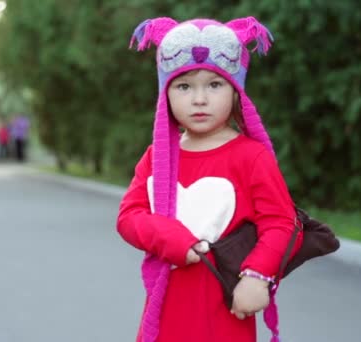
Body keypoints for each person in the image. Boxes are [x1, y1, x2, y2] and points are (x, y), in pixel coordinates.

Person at [117, 17, 303, 342]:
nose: (199, 99)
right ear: (166, 95)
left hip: (224, 311)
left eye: (214, 85)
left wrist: (257, 276)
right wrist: (174, 241)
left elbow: (282, 223)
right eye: (184, 86)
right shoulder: (156, 156)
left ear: (236, 93)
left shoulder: (250, 157)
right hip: (165, 312)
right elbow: (129, 217)